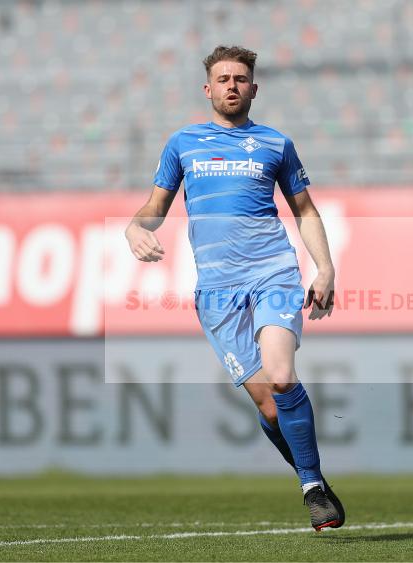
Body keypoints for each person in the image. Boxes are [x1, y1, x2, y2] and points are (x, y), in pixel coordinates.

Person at [124, 46, 344, 531]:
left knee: (283, 375)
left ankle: (310, 488)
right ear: (207, 89)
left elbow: (305, 210)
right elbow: (154, 206)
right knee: (268, 402)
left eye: (240, 78)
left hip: (273, 273)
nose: (231, 85)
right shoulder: (183, 144)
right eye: (222, 78)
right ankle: (316, 477)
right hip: (217, 291)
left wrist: (324, 268)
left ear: (253, 88)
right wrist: (135, 228)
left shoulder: (275, 144)